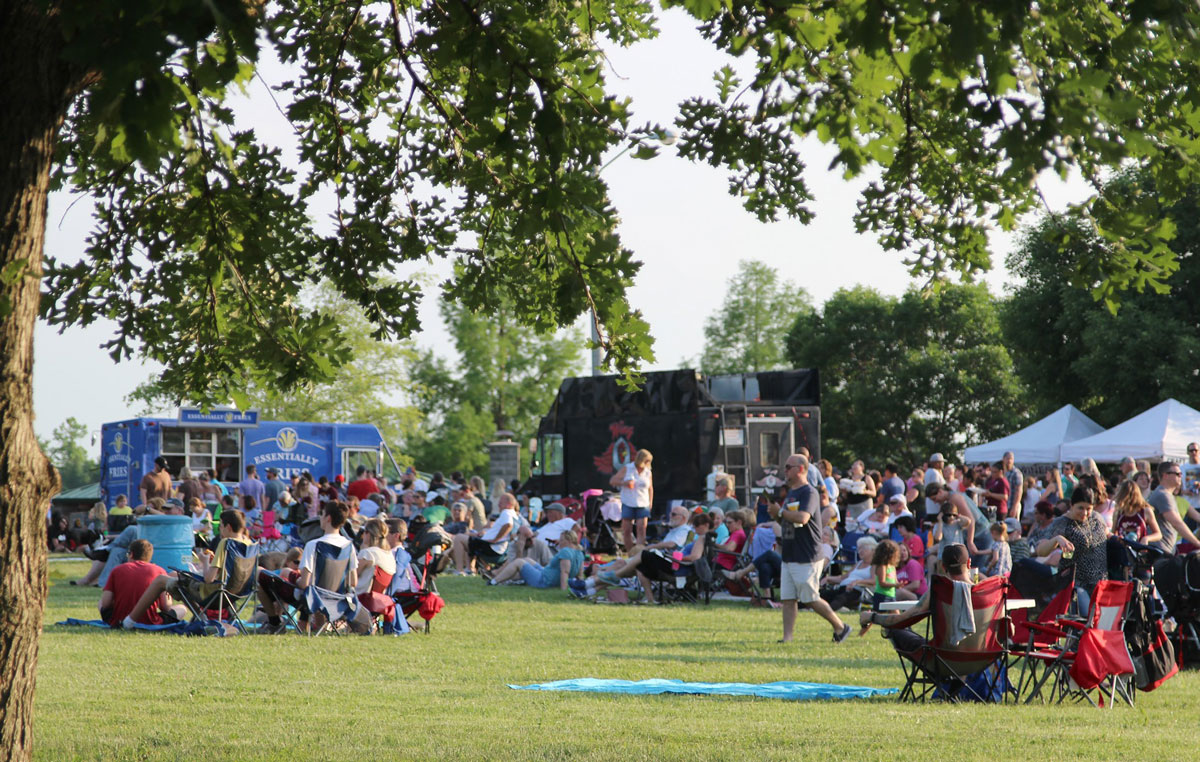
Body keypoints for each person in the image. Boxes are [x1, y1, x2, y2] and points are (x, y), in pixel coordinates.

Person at [119, 510, 253, 629]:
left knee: (161, 580)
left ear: (228, 527)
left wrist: (204, 561)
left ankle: (128, 622)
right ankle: (202, 618)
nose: (220, 530)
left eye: (221, 526)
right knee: (179, 580)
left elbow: (208, 579)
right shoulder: (249, 544)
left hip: (214, 594)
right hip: (237, 593)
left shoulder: (226, 543)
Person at [773, 453, 852, 644]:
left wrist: (781, 512)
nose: (785, 471)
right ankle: (787, 638)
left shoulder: (809, 492)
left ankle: (841, 627)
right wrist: (776, 515)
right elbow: (789, 520)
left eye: (788, 467)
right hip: (790, 553)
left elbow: (802, 518)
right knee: (788, 598)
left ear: (800, 469)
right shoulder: (791, 492)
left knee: (810, 598)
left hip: (806, 555)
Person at [860, 543, 974, 654]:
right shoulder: (986, 591)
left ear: (943, 567)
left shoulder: (937, 591)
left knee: (894, 630)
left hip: (942, 658)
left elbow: (903, 620)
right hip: (981, 657)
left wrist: (871, 617)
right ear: (969, 563)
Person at [597, 513, 711, 604]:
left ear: (706, 525)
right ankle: (650, 599)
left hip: (679, 568)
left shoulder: (702, 538)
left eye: (697, 525)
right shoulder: (703, 538)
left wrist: (676, 558)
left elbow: (694, 557)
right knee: (641, 565)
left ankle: (616, 576)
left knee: (644, 554)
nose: (695, 528)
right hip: (677, 564)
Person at [1037, 484, 1108, 612]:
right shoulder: (1061, 523)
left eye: (1089, 508)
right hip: (1076, 584)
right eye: (1080, 508)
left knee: (1102, 624)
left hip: (1100, 583)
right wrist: (1057, 539)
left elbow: (1107, 535)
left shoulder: (1096, 519)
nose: (1085, 513)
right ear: (1071, 505)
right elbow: (1041, 550)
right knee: (1086, 619)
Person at [99, 539, 185, 627]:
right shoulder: (159, 571)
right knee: (182, 608)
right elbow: (165, 607)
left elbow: (106, 604)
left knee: (101, 600)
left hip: (118, 620)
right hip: (150, 621)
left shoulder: (117, 570)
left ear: (131, 554)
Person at [488, 523, 585, 590]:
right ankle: (497, 577)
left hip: (544, 581)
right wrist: (581, 586)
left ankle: (493, 582)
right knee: (526, 560)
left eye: (561, 540)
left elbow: (565, 572)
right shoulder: (579, 553)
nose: (559, 542)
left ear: (568, 541)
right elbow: (580, 575)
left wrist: (563, 590)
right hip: (547, 574)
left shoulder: (565, 552)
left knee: (519, 562)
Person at [449, 492, 520, 574]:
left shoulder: (506, 512)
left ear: (508, 504)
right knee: (469, 538)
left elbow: (508, 525)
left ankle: (460, 570)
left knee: (459, 538)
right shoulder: (514, 515)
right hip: (494, 547)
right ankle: (470, 569)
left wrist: (495, 539)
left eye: (501, 502)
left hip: (492, 548)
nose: (498, 504)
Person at [1149, 462, 1200, 556]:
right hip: (1159, 550)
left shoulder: (1167, 495)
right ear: (1165, 475)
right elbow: (1177, 523)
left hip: (1165, 549)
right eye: (1177, 474)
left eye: (1181, 474)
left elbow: (1197, 517)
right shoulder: (1162, 495)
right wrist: (1197, 543)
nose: (1181, 476)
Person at [611, 449, 653, 551]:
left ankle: (639, 552)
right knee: (627, 530)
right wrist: (624, 483)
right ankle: (629, 552)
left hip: (643, 503)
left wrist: (650, 503)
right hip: (628, 502)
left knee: (641, 528)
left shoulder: (648, 472)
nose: (648, 463)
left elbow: (650, 488)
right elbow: (613, 480)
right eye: (646, 461)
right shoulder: (628, 468)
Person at [859, 538, 900, 636]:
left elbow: (894, 580)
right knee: (874, 617)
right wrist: (895, 585)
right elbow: (882, 583)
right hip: (881, 596)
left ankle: (904, 631)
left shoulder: (892, 567)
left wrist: (898, 584)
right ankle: (861, 633)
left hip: (891, 595)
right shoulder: (882, 566)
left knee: (898, 616)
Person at [355, 518, 396, 594]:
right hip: (375, 601)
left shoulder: (367, 553)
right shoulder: (390, 556)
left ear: (368, 534)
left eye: (364, 532)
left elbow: (350, 578)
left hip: (358, 598)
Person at [712, 509, 748, 573]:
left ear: (739, 522)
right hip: (721, 563)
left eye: (729, 522)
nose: (727, 525)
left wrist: (713, 544)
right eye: (726, 522)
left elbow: (729, 548)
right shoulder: (737, 533)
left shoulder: (737, 533)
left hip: (724, 564)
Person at [923, 453, 946, 518]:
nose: (943, 464)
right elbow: (935, 489)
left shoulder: (929, 471)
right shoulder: (934, 473)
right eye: (942, 462)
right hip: (935, 507)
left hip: (931, 507)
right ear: (937, 463)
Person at [1001, 451, 1023, 520]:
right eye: (1007, 458)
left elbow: (1019, 491)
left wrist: (1014, 507)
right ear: (1003, 459)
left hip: (1012, 505)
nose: (1009, 461)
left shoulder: (1016, 473)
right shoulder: (1003, 473)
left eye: (1011, 459)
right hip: (1004, 506)